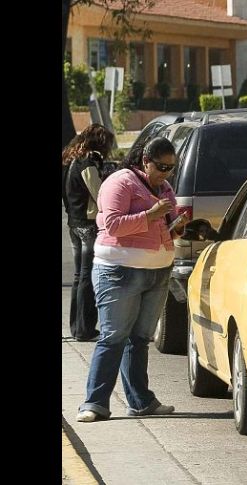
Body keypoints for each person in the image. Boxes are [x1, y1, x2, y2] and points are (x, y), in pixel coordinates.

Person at [76, 137, 189, 422]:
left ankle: (141, 401)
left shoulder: (164, 188)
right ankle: (94, 403)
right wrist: (150, 215)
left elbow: (167, 230)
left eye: (171, 168)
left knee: (139, 340)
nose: (166, 173)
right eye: (161, 166)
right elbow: (111, 224)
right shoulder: (120, 182)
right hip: (119, 269)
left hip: (157, 271)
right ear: (145, 161)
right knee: (114, 337)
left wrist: (178, 227)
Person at [63, 123, 115, 341]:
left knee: (79, 276)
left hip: (74, 223)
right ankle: (85, 329)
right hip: (87, 224)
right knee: (87, 277)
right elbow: (100, 194)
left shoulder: (71, 159)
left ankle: (77, 328)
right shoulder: (87, 164)